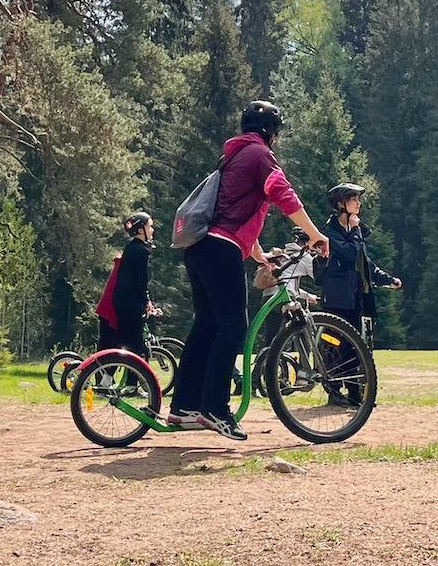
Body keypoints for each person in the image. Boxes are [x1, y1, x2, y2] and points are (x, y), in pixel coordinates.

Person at [168, 100, 328, 441]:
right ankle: (214, 409)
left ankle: (184, 407)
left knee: (207, 326)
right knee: (233, 327)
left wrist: (258, 256)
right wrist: (314, 234)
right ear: (271, 131)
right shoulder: (259, 155)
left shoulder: (233, 156)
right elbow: (282, 194)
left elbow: (232, 210)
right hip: (220, 248)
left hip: (199, 247)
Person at [320, 183, 399, 406]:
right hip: (337, 298)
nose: (359, 203)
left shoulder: (355, 231)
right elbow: (348, 254)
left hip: (355, 297)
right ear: (341, 204)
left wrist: (387, 278)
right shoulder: (330, 232)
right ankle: (334, 390)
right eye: (354, 199)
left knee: (356, 346)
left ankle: (356, 393)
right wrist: (355, 231)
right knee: (335, 344)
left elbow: (364, 263)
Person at [96, 212, 154, 355]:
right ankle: (136, 377)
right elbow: (140, 281)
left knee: (122, 343)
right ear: (141, 230)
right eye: (150, 226)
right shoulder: (141, 251)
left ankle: (114, 375)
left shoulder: (131, 247)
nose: (152, 230)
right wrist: (146, 301)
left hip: (123, 302)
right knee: (136, 348)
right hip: (131, 304)